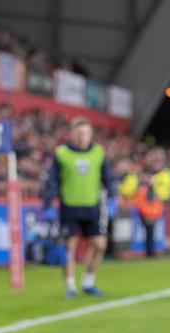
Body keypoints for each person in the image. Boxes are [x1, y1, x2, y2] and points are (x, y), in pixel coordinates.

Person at [43, 116, 116, 297]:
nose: (83, 137)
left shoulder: (98, 152)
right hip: (69, 206)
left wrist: (112, 197)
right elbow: (52, 180)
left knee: (100, 245)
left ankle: (88, 282)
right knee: (70, 247)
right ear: (72, 134)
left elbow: (107, 177)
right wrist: (48, 204)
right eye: (79, 133)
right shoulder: (62, 153)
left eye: (86, 133)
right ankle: (70, 286)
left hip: (92, 206)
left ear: (91, 134)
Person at [134, 172, 164, 257]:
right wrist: (146, 215)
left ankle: (150, 251)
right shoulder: (142, 190)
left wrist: (156, 216)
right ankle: (149, 252)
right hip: (146, 217)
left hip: (153, 217)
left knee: (150, 234)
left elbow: (158, 204)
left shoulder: (154, 191)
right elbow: (141, 204)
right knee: (148, 234)